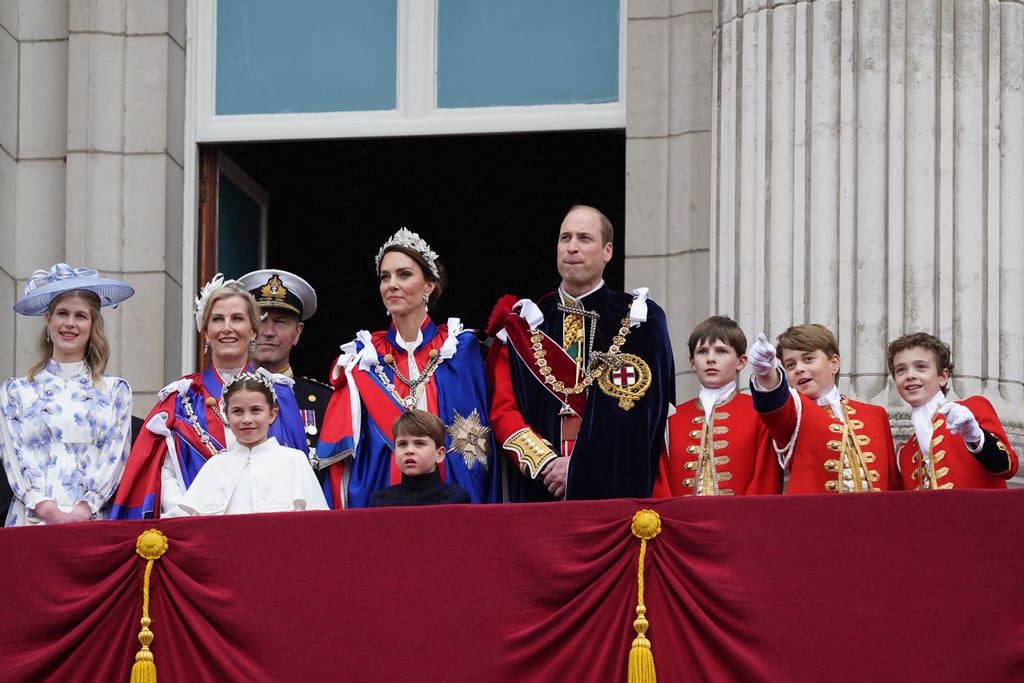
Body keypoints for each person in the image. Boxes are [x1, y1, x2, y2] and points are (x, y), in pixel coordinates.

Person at [487, 205, 676, 501]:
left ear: (608, 251)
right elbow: (503, 411)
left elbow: (642, 418)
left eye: (584, 238)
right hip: (541, 491)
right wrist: (546, 464)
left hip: (615, 492)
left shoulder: (641, 321)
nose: (572, 247)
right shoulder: (525, 324)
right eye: (565, 238)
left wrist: (579, 468)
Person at [318, 228, 498, 508]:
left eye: (404, 274)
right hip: (383, 493)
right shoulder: (365, 357)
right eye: (385, 277)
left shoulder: (460, 350)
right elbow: (346, 452)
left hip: (454, 495)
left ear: (429, 285)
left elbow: (482, 436)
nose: (391, 284)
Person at [110, 275, 308, 519]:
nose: (227, 328)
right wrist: (187, 516)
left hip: (269, 530)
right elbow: (165, 473)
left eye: (237, 318)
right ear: (205, 332)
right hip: (197, 531)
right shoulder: (179, 400)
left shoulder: (280, 395)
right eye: (217, 319)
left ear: (253, 330)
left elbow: (299, 479)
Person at [0, 263, 134, 525]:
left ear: (92, 324)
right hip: (30, 522)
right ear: (48, 319)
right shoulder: (16, 391)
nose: (70, 323)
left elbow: (115, 457)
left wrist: (83, 510)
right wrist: (46, 509)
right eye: (63, 313)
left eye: (81, 316)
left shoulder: (116, 392)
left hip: (92, 523)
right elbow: (15, 456)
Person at [746, 324, 898, 493]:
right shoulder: (793, 415)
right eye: (790, 365)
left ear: (834, 364)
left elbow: (892, 485)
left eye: (808, 359)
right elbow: (774, 402)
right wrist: (766, 373)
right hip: (815, 518)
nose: (799, 369)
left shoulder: (875, 415)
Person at [652, 316, 781, 497]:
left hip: (739, 522)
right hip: (682, 522)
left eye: (721, 351)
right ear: (692, 362)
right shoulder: (671, 417)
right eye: (702, 352)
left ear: (741, 362)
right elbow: (661, 484)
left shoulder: (758, 412)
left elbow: (765, 478)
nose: (711, 359)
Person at [177, 371, 328, 515]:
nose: (247, 419)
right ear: (227, 416)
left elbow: (317, 524)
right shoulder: (214, 465)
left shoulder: (294, 460)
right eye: (237, 411)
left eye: (256, 410)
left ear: (272, 414)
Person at [887, 332, 1019, 489]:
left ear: (942, 376)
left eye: (921, 367)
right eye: (901, 370)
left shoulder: (973, 408)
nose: (910, 375)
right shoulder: (905, 453)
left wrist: (976, 437)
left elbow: (1008, 467)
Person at [236, 269, 334, 472]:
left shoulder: (327, 402)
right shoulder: (223, 394)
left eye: (280, 322)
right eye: (261, 320)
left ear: (297, 332)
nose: (269, 332)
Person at [369, 410, 471, 507]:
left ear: (439, 454)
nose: (409, 450)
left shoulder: (455, 498)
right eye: (402, 444)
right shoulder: (381, 501)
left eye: (419, 444)